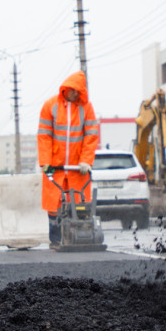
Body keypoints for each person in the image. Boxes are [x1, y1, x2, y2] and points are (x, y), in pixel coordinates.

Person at [37, 71, 98, 242]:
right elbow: (44, 136)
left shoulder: (86, 108)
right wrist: (46, 162)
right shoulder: (50, 106)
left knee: (79, 202)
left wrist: (86, 161)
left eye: (79, 91)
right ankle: (55, 238)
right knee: (54, 204)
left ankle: (78, 237)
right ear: (66, 88)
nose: (76, 94)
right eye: (73, 90)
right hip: (55, 166)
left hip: (77, 167)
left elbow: (91, 136)